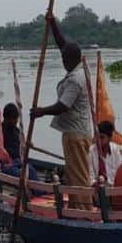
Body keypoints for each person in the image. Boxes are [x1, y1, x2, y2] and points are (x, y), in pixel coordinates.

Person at [30, 13, 92, 208]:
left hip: (76, 134)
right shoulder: (79, 68)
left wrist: (41, 111)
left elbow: (63, 106)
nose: (62, 61)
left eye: (64, 58)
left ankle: (84, 211)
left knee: (79, 177)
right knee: (73, 175)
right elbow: (63, 45)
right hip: (76, 132)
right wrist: (52, 24)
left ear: (71, 59)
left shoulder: (76, 79)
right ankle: (76, 208)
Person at [88, 120, 122, 184]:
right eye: (97, 137)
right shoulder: (92, 149)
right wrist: (95, 183)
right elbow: (90, 176)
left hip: (112, 187)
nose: (98, 140)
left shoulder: (115, 149)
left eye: (102, 137)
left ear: (110, 138)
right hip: (96, 187)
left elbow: (119, 173)